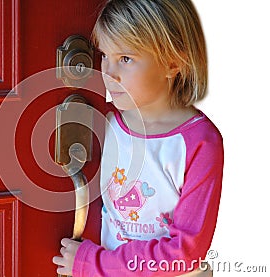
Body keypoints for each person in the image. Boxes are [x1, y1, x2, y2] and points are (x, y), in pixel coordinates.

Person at [53, 0, 223, 276]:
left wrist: (93, 263)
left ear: (172, 62)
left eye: (125, 59)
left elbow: (185, 251)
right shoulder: (103, 122)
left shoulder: (200, 143)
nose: (107, 73)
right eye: (104, 55)